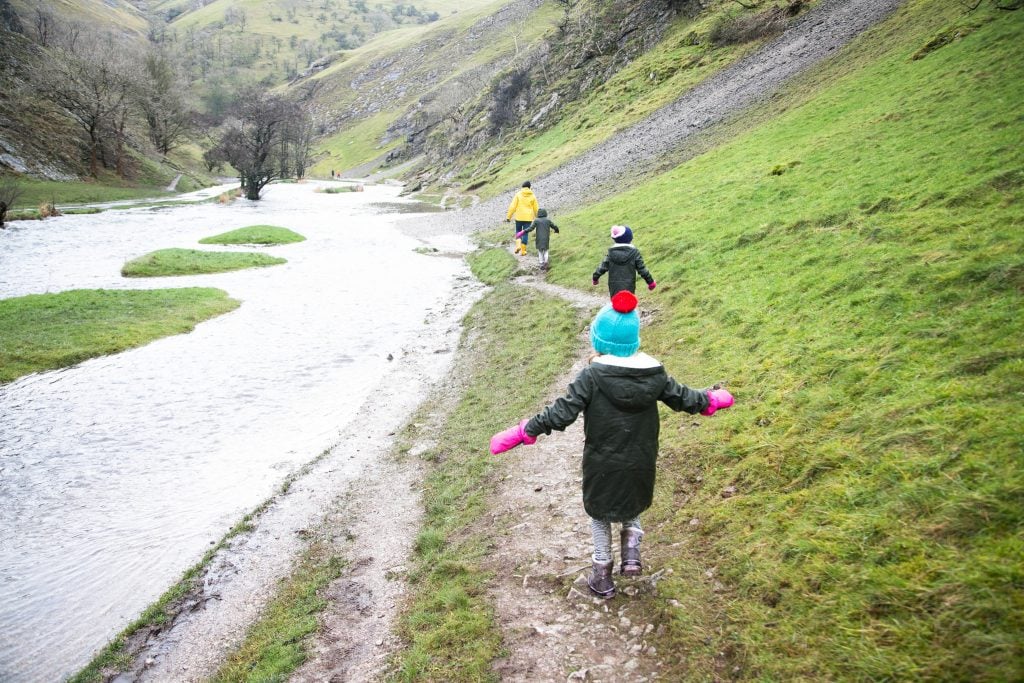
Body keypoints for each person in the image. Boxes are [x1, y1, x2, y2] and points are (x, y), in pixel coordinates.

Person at [489, 291, 734, 598]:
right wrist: (711, 400)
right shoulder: (655, 375)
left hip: (602, 462)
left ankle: (602, 575)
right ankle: (631, 555)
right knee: (632, 501)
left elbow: (561, 413)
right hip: (641, 458)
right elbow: (686, 398)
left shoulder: (592, 376)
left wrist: (524, 431)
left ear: (600, 342)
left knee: (600, 514)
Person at [592, 225, 656, 296]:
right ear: (629, 239)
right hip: (629, 286)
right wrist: (650, 282)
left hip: (614, 286)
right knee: (628, 304)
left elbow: (602, 267)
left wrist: (595, 278)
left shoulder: (611, 253)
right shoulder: (634, 253)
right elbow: (642, 269)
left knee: (615, 304)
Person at [505, 181, 539, 256]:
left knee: (518, 231)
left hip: (519, 217)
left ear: (522, 187)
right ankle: (523, 251)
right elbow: (536, 208)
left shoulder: (518, 194)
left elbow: (512, 206)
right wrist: (538, 217)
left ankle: (518, 246)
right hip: (528, 218)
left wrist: (508, 217)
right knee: (525, 232)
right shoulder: (532, 196)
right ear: (530, 187)